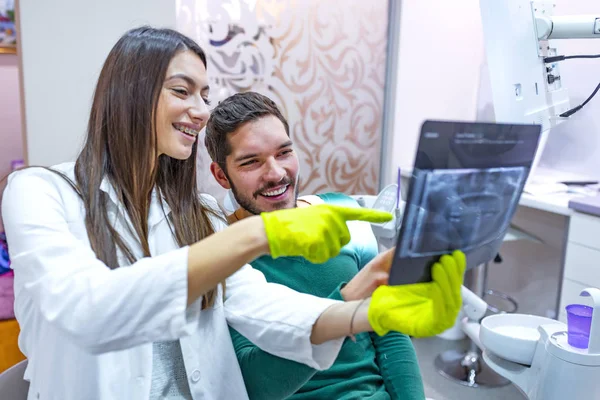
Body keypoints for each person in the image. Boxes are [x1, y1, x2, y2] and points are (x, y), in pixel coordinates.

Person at [0, 27, 416, 400]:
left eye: (204, 95)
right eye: (182, 91)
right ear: (130, 92)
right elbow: (86, 311)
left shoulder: (197, 214)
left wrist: (366, 310)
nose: (201, 112)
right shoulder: (39, 192)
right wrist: (260, 234)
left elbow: (262, 305)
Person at [204, 91, 466, 399]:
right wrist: (348, 297)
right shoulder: (224, 253)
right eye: (251, 162)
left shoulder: (341, 215)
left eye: (284, 153)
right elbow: (256, 385)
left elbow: (389, 331)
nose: (276, 174)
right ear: (222, 175)